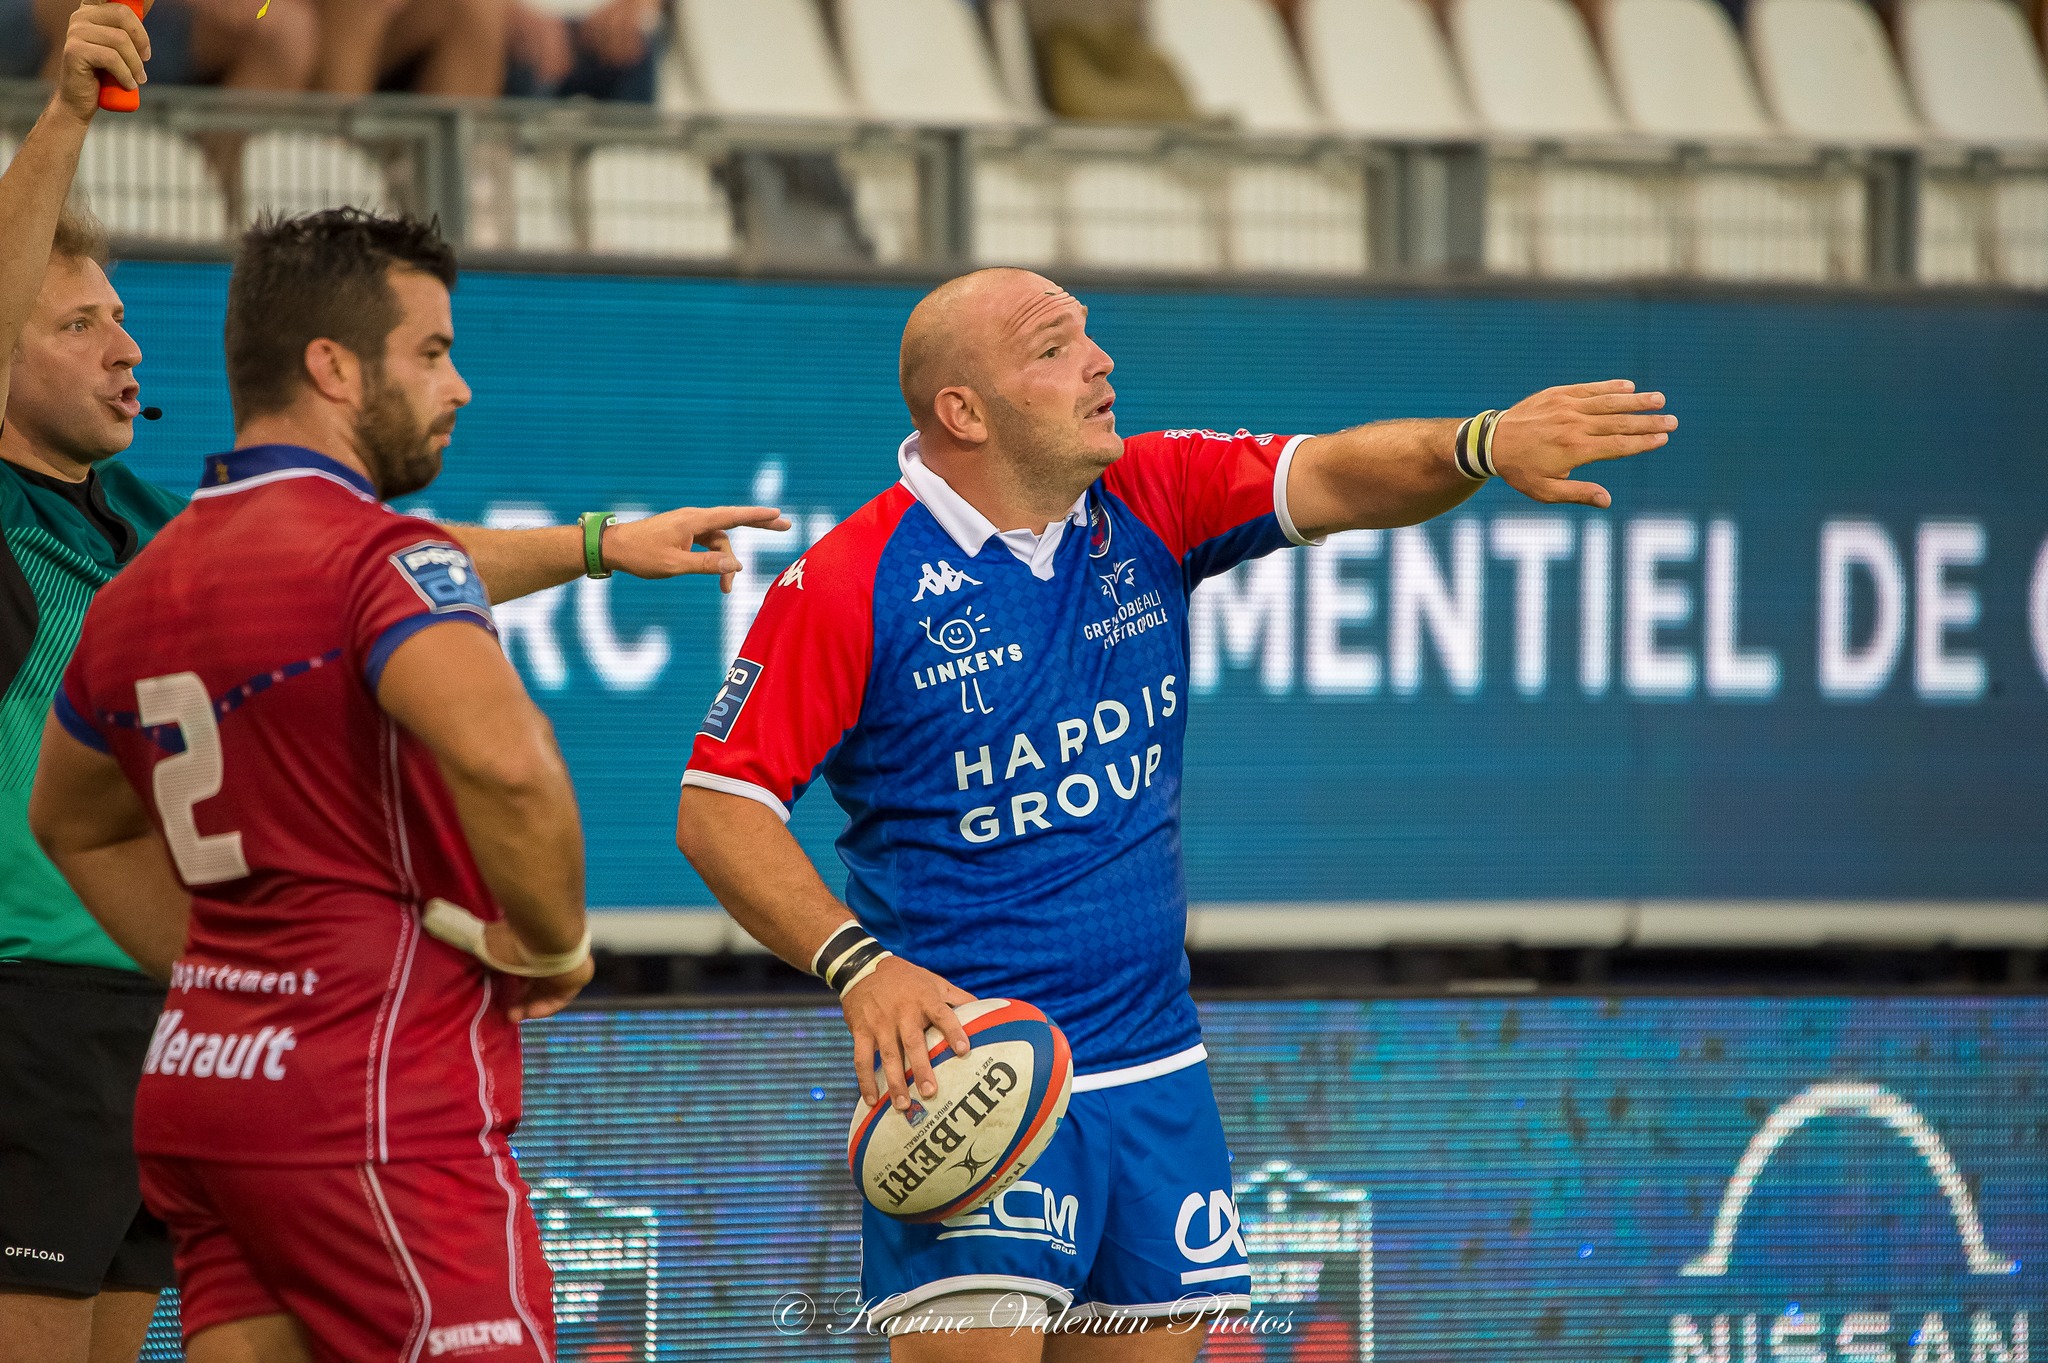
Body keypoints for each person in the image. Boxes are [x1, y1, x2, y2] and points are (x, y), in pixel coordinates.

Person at [675, 267, 1676, 1359]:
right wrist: (860, 968)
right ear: (964, 411)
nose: (1099, 361)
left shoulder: (1152, 491)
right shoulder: (848, 580)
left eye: (1087, 335)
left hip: (1156, 1071)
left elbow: (1336, 475)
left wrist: (1477, 443)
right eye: (1053, 348)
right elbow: (719, 810)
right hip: (976, 1079)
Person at [0, 11, 782, 1361]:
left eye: (125, 317)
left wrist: (597, 545)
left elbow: (364, 560)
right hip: (70, 1022)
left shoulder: (152, 542)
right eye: (79, 322)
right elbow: (501, 751)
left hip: (188, 1035)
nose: (127, 347)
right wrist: (68, 114)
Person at [32, 0, 319, 91]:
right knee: (91, 13)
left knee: (289, 32)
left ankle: (221, 192)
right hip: (33, 16)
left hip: (171, 22)